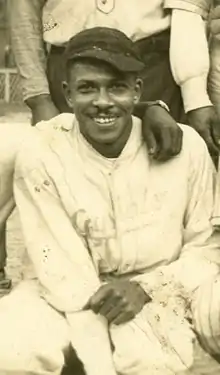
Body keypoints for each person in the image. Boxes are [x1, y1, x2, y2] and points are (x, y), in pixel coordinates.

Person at [1, 27, 220, 375]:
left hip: (157, 290)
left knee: (149, 362)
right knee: (11, 347)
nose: (103, 101)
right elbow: (66, 278)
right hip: (60, 294)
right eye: (88, 88)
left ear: (137, 91)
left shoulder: (186, 147)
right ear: (67, 94)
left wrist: (146, 288)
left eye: (116, 87)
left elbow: (207, 250)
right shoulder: (43, 149)